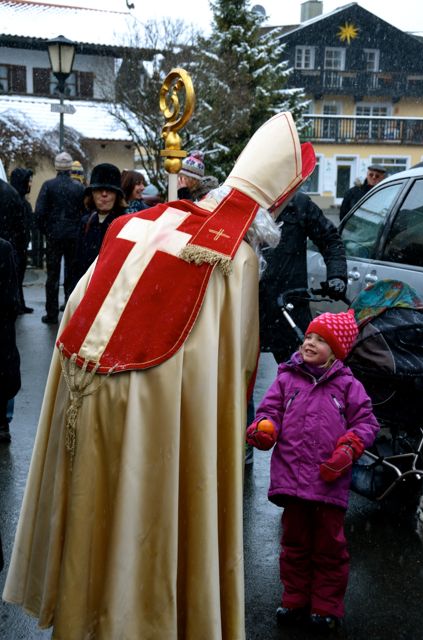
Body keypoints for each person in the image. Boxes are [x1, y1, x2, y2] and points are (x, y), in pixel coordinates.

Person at [3, 111, 316, 640]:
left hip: (84, 381)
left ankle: (84, 616)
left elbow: (81, 304)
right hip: (153, 407)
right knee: (145, 517)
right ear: (276, 202)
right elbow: (231, 369)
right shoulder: (233, 254)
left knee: (93, 515)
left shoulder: (151, 217)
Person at [246, 309, 380, 634]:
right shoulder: (287, 378)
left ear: (336, 352)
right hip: (291, 481)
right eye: (308, 336)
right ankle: (294, 598)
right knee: (294, 544)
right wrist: (264, 428)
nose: (310, 343)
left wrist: (348, 448)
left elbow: (366, 422)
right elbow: (269, 411)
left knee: (329, 549)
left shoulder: (348, 386)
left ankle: (326, 606)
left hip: (328, 483)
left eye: (320, 340)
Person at [259, 191, 347, 364]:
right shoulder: (243, 200)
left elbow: (330, 240)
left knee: (302, 371)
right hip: (249, 306)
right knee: (241, 377)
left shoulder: (298, 203)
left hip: (289, 306)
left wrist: (337, 275)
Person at [35, 151, 85, 324]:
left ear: (56, 167)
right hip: (73, 235)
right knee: (72, 275)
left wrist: (48, 231)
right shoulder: (79, 188)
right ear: (70, 167)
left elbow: (39, 213)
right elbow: (84, 213)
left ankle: (51, 313)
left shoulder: (48, 186)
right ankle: (70, 311)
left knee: (52, 276)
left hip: (54, 235)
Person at [72, 163, 128, 286]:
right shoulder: (86, 222)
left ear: (117, 195)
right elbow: (77, 264)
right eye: (99, 189)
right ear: (91, 193)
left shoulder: (125, 224)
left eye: (110, 190)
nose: (104, 194)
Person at [0, 238, 21, 444]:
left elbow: (10, 290)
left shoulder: (4, 248)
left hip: (2, 320)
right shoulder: (4, 247)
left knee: (6, 371)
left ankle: (3, 421)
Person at [9, 168, 34, 314]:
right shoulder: (18, 201)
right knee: (16, 276)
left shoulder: (17, 200)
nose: (30, 185)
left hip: (19, 245)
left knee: (17, 276)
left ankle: (18, 303)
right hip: (18, 245)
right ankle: (17, 304)